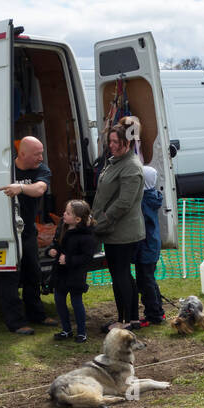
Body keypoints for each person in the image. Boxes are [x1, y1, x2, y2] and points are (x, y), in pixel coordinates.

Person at [92, 117, 145, 330]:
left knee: (120, 274)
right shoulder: (116, 162)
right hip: (113, 231)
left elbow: (124, 203)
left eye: (117, 142)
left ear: (128, 143)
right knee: (121, 273)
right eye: (110, 141)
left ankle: (123, 321)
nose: (112, 146)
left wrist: (101, 221)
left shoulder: (131, 166)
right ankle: (131, 319)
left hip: (122, 232)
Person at [0, 136, 53, 335]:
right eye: (37, 154)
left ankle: (37, 315)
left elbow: (40, 189)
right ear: (22, 154)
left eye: (42, 153)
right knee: (10, 277)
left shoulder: (41, 170)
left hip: (28, 231)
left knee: (33, 274)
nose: (41, 157)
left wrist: (19, 188)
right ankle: (16, 322)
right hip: (5, 231)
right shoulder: (4, 169)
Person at [47, 199, 96, 343]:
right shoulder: (63, 226)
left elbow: (87, 257)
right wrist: (51, 250)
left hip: (76, 275)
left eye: (67, 213)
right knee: (59, 300)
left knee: (76, 302)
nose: (64, 214)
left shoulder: (86, 236)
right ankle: (66, 330)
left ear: (78, 219)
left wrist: (68, 259)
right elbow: (56, 243)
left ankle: (81, 332)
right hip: (60, 273)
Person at [135, 165, 164, 326]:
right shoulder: (152, 196)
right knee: (149, 279)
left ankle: (153, 314)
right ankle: (158, 310)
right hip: (151, 245)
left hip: (146, 246)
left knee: (145, 281)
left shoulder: (143, 200)